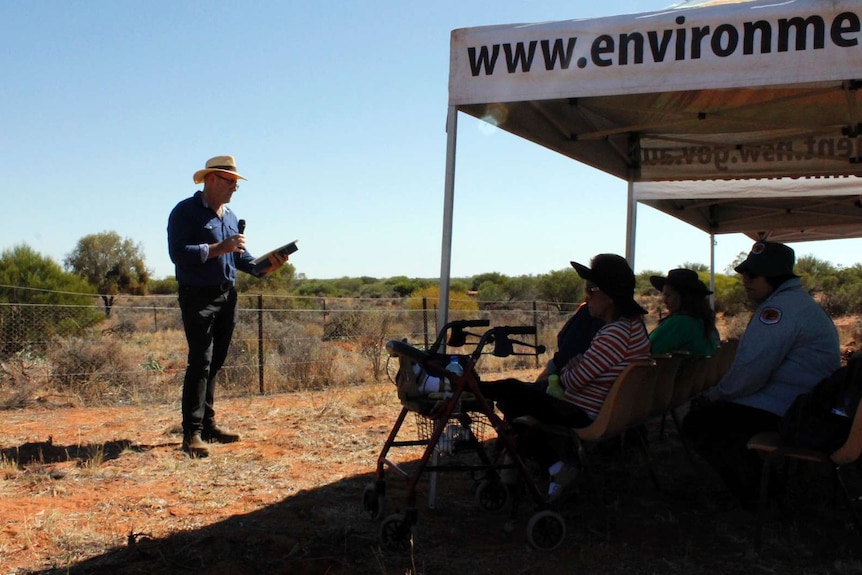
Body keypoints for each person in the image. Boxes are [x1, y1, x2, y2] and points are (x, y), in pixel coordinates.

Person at [683, 241, 841, 509]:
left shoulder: (779, 310)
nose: (745, 281)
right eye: (744, 274)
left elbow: (751, 370)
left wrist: (716, 395)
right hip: (802, 403)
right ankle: (761, 485)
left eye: (753, 275)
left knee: (700, 423)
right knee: (720, 420)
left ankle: (759, 495)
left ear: (774, 276)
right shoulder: (795, 303)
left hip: (793, 409)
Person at [480, 254, 651, 499]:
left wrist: (571, 367)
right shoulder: (633, 328)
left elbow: (571, 380)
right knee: (516, 399)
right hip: (604, 409)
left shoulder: (613, 334)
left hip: (584, 413)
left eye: (592, 290)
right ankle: (553, 466)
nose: (587, 296)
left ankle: (555, 467)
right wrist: (577, 366)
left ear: (610, 296)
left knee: (511, 392)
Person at [167, 155, 288, 457]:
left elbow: (239, 259)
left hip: (227, 296)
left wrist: (267, 266)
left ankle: (208, 425)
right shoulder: (185, 212)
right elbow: (178, 254)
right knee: (200, 362)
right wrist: (221, 247)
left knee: (215, 362)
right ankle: (191, 434)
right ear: (210, 179)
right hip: (197, 297)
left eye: (236, 182)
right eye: (229, 181)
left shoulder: (230, 216)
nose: (235, 187)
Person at [648, 268, 719, 357]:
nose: (664, 301)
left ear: (684, 297)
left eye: (668, 295)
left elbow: (645, 351)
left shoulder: (680, 323)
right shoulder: (704, 323)